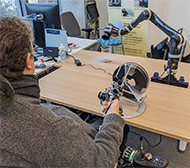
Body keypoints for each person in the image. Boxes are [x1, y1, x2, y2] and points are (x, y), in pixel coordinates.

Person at [0, 15, 129, 168]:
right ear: (29, 61)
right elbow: (102, 161)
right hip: (92, 152)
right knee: (118, 126)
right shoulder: (48, 127)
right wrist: (113, 117)